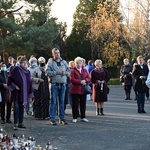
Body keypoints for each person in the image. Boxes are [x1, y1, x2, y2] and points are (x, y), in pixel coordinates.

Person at [7, 57, 34, 130]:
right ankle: (15, 123)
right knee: (16, 107)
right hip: (16, 92)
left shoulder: (28, 72)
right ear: (20, 63)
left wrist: (30, 95)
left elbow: (29, 83)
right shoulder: (16, 69)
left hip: (24, 93)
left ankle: (20, 122)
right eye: (23, 63)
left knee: (22, 107)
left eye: (26, 63)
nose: (25, 64)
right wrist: (14, 86)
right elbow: (9, 79)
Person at [46, 48, 70, 125]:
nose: (57, 54)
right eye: (55, 53)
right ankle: (52, 119)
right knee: (53, 102)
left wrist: (65, 73)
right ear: (53, 54)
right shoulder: (50, 62)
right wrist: (57, 72)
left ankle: (62, 118)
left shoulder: (64, 62)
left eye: (58, 53)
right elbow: (47, 72)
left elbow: (69, 72)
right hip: (54, 85)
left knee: (62, 102)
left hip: (63, 85)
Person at [70, 57, 91, 123]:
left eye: (80, 63)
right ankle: (75, 117)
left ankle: (83, 117)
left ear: (82, 63)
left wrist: (85, 80)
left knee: (83, 103)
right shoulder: (73, 71)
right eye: (77, 63)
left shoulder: (84, 70)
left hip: (83, 89)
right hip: (75, 89)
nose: (78, 64)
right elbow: (72, 79)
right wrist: (79, 82)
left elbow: (89, 78)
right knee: (75, 104)